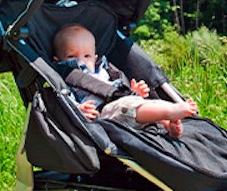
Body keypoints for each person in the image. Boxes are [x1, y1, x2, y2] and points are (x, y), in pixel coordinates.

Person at [51, 24, 197, 138]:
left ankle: (167, 124)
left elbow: (115, 91)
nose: (81, 61)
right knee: (131, 107)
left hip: (121, 105)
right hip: (103, 114)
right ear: (57, 61)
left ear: (95, 58)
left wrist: (134, 92)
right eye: (71, 57)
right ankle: (170, 111)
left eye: (87, 56)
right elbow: (65, 99)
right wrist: (78, 110)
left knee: (143, 103)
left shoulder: (103, 71)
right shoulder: (66, 76)